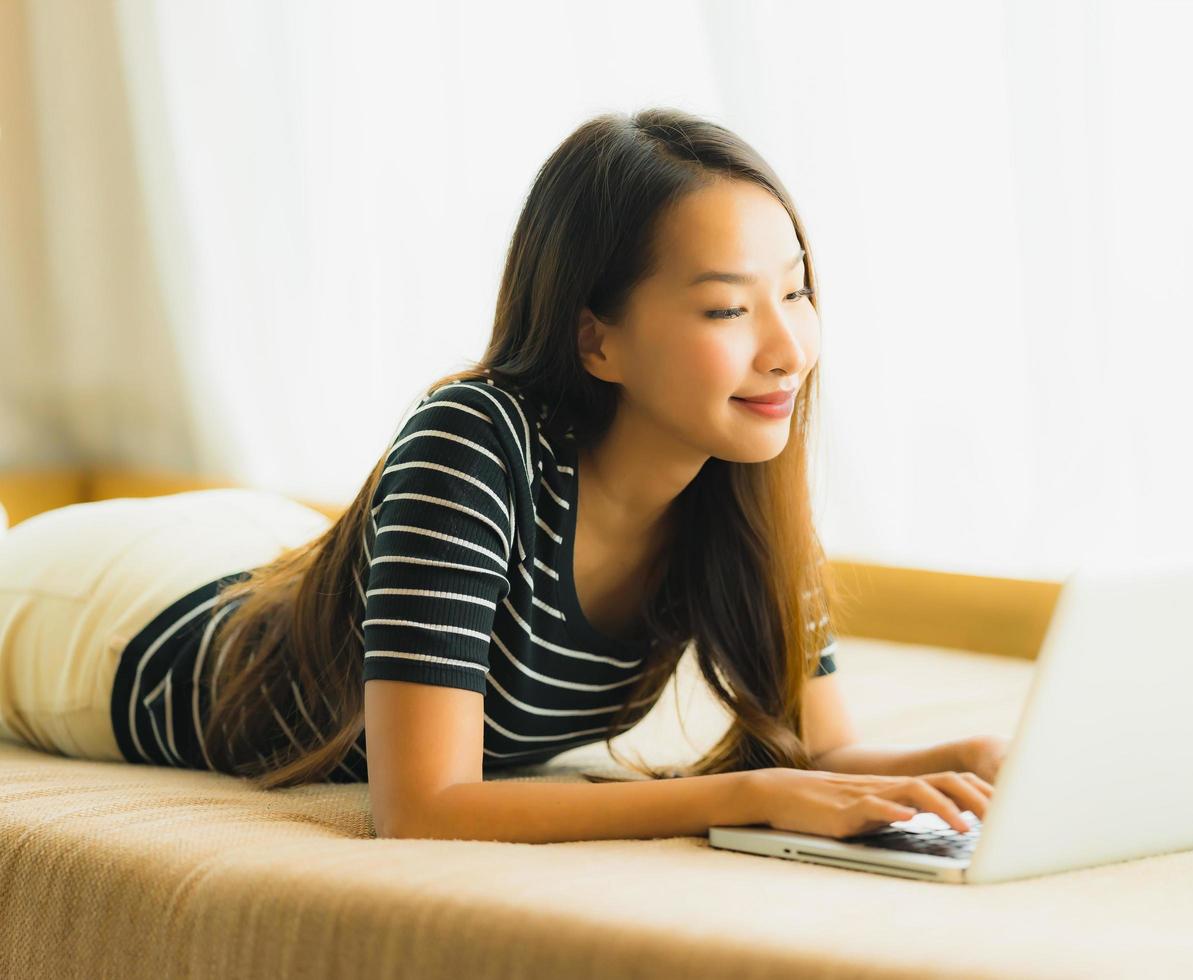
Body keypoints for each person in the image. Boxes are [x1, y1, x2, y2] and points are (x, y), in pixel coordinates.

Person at [0, 108, 1007, 844]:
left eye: (795, 291)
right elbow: (424, 806)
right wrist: (747, 795)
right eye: (727, 309)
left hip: (258, 556)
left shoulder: (738, 481)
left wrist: (983, 757)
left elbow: (823, 755)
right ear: (595, 338)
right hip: (106, 622)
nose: (790, 347)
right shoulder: (474, 439)